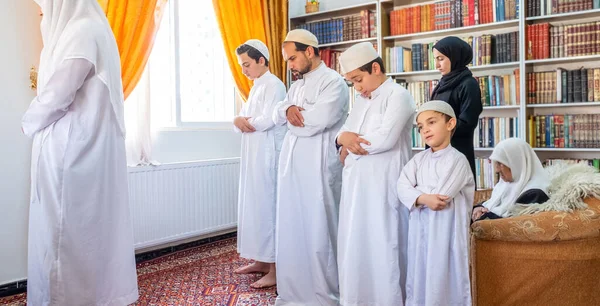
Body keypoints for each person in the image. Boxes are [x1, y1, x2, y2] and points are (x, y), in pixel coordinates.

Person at [21, 0, 138, 305]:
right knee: (83, 241)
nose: (40, 15)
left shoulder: (82, 32)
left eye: (44, 8)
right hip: (82, 155)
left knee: (64, 242)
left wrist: (26, 122)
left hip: (72, 159)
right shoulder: (91, 29)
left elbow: (56, 96)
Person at [272, 29, 349, 306]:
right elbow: (277, 112)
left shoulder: (334, 82)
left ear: (309, 51)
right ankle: (294, 292)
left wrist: (293, 116)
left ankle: (324, 296)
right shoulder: (297, 86)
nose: (290, 65)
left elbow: (318, 121)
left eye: (293, 58)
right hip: (292, 165)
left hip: (319, 166)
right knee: (292, 227)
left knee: (319, 230)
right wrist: (287, 111)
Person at [335, 42, 415, 306]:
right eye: (352, 82)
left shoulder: (398, 95)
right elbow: (343, 132)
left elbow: (384, 140)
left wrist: (349, 141)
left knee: (384, 244)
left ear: (376, 68)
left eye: (358, 79)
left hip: (384, 184)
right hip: (356, 185)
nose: (357, 87)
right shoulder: (361, 99)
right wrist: (342, 138)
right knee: (356, 244)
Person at [397, 100, 475, 306]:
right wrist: (423, 198)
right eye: (421, 127)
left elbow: (441, 197)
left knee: (443, 277)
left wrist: (416, 194)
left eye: (431, 122)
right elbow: (401, 187)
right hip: (420, 232)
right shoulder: (418, 160)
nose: (425, 130)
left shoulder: (458, 160)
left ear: (450, 124)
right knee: (419, 275)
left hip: (446, 233)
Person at [232, 39, 286, 288]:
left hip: (267, 156)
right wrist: (238, 120)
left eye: (246, 64)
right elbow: (246, 118)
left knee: (269, 210)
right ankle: (262, 260)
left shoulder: (274, 85)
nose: (244, 70)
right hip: (253, 154)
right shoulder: (256, 86)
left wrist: (243, 121)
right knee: (255, 207)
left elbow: (270, 119)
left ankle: (275, 269)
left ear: (261, 60)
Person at [430, 36, 482, 182]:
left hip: (457, 151)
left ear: (455, 56)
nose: (437, 65)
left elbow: (467, 122)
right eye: (435, 59)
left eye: (441, 59)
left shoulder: (468, 84)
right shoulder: (442, 84)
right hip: (436, 150)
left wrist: (439, 130)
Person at [472, 138, 551, 221]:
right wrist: (478, 208)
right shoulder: (505, 184)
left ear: (516, 163)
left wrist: (484, 216)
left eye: (500, 163)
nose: (497, 170)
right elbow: (492, 204)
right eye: (496, 163)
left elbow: (513, 224)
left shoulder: (535, 194)